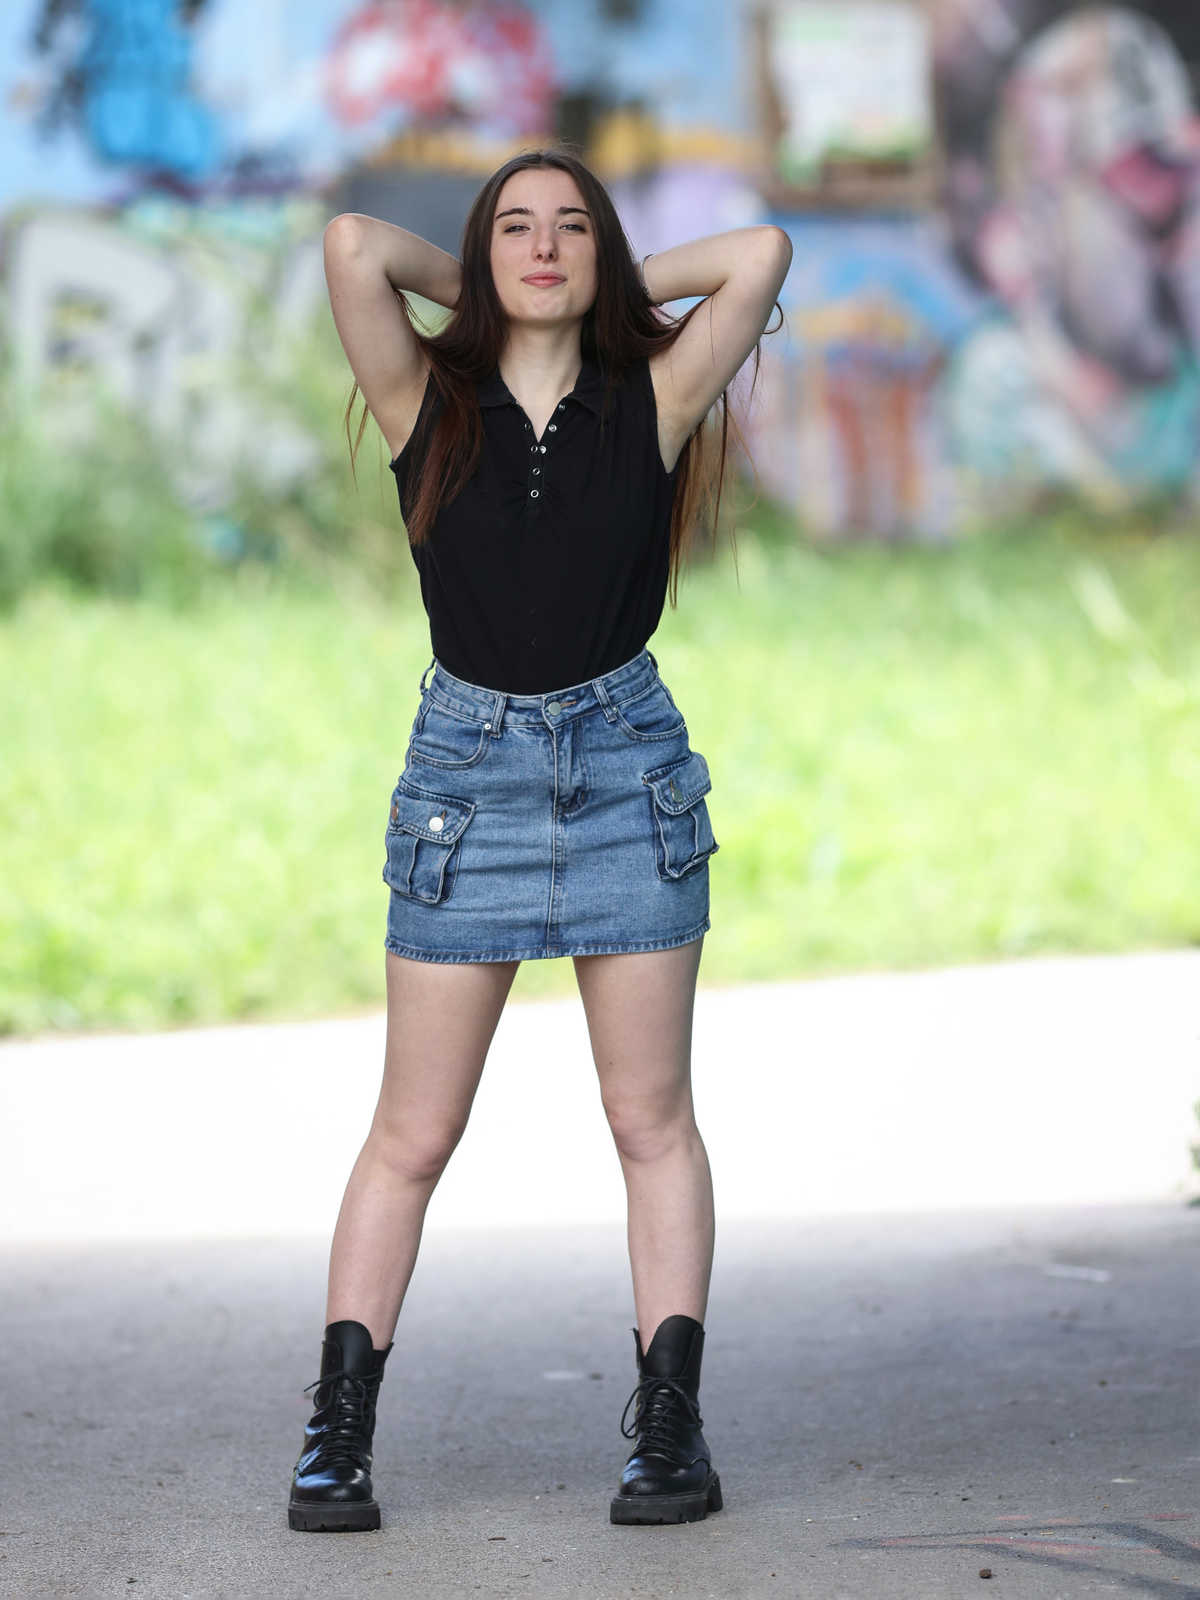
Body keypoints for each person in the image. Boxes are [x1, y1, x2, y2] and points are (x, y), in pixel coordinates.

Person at [288, 146, 790, 1533]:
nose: (545, 245)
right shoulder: (428, 402)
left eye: (574, 227)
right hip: (469, 785)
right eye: (516, 228)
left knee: (649, 1119)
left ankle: (669, 1434)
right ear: (481, 251)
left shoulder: (657, 397)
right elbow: (351, 245)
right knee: (413, 1130)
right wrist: (489, 291)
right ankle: (335, 1436)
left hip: (627, 772)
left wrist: (609, 291)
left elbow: (756, 256)